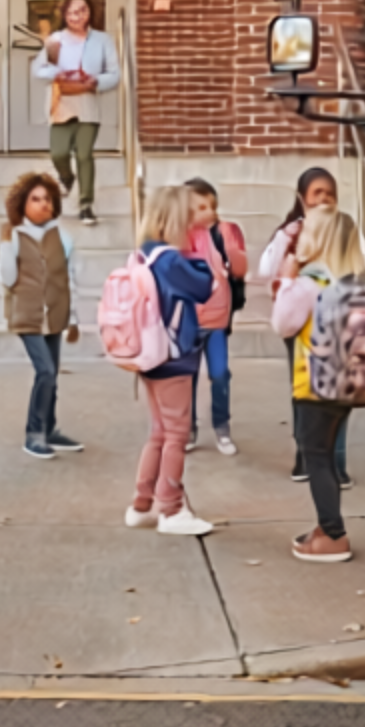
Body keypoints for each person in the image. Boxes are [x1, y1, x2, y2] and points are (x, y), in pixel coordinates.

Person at [272, 206, 365, 563]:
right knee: (326, 455)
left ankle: (332, 534)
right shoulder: (358, 282)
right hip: (349, 385)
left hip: (313, 385)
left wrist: (286, 281)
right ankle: (326, 527)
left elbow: (282, 324)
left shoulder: (309, 284)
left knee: (317, 458)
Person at [126, 182, 214, 537]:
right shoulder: (172, 260)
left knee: (159, 432)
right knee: (177, 433)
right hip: (174, 356)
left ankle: (142, 503)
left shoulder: (142, 254)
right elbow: (204, 286)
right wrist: (202, 252)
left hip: (148, 355)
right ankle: (171, 508)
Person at [256, 167, 349, 486]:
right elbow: (266, 268)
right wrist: (289, 252)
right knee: (304, 392)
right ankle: (306, 458)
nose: (324, 198)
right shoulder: (292, 232)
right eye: (316, 193)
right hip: (300, 322)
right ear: (302, 199)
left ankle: (337, 462)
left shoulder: (345, 230)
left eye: (329, 193)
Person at [0, 170, 82, 459]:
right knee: (44, 371)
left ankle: (49, 429)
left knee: (53, 374)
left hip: (56, 314)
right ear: (22, 203)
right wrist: (6, 244)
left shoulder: (63, 237)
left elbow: (70, 278)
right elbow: (8, 279)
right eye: (35, 199)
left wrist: (73, 318)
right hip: (28, 315)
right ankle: (33, 435)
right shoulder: (15, 236)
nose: (42, 204)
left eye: (46, 198)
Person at [34, 0, 120, 224]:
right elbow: (39, 70)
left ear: (90, 12)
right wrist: (58, 73)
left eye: (83, 10)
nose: (78, 16)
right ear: (65, 15)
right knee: (59, 153)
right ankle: (66, 176)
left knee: (84, 154)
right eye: (72, 12)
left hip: (88, 103)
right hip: (61, 102)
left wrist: (97, 81)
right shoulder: (56, 40)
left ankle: (86, 205)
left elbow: (114, 73)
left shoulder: (102, 40)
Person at [183, 176, 247, 457]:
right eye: (199, 207)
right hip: (187, 320)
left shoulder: (226, 230)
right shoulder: (179, 234)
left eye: (211, 205)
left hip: (217, 320)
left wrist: (233, 252)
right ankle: (188, 428)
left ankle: (222, 428)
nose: (208, 211)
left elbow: (240, 270)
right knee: (187, 376)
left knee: (220, 374)